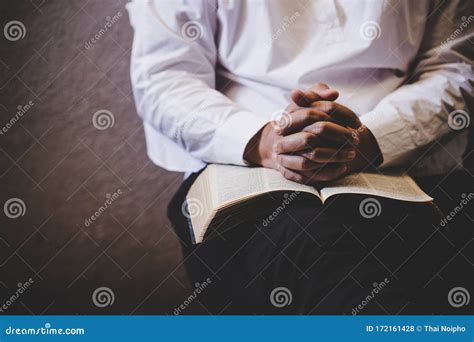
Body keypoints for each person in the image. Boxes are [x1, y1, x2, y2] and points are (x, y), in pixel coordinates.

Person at [127, 0, 473, 314]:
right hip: (244, 169)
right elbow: (164, 78)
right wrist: (264, 141)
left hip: (407, 165)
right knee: (321, 263)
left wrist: (370, 140)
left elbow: (454, 66)